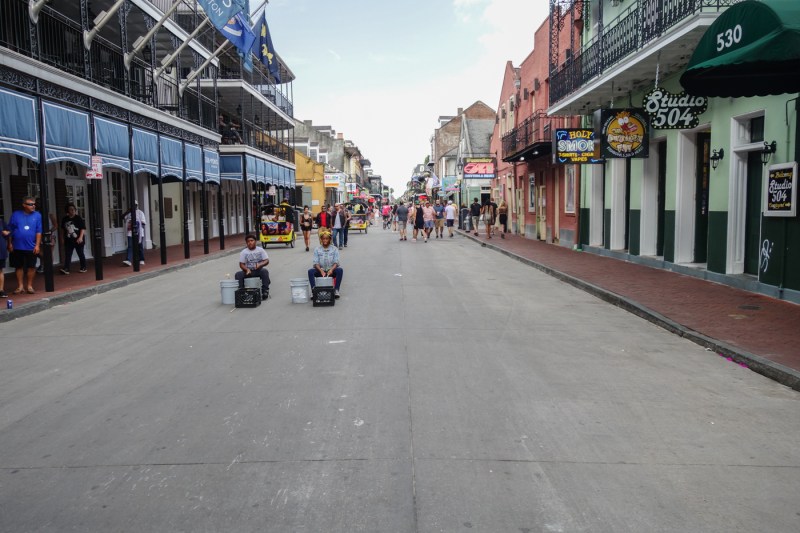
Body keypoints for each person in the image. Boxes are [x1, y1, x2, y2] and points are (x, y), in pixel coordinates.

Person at [6, 196, 42, 294]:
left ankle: (29, 286)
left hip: (31, 246)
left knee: (31, 266)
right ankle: (20, 286)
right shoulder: (15, 215)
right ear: (24, 205)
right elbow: (10, 230)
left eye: (34, 204)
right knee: (18, 266)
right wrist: (9, 243)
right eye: (30, 204)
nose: (33, 206)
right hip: (17, 245)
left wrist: (37, 245)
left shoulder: (37, 215)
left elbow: (39, 231)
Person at [308, 228, 343, 299]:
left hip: (331, 271)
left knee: (340, 270)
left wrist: (331, 270)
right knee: (310, 271)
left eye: (327, 239)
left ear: (330, 239)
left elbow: (336, 262)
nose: (325, 240)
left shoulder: (334, 249)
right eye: (323, 239)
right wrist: (321, 271)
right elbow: (315, 262)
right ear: (321, 239)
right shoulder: (317, 249)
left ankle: (336, 290)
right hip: (321, 271)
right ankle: (313, 291)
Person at [235, 234, 270, 300]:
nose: (250, 242)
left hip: (258, 270)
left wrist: (260, 264)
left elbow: (266, 260)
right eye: (248, 241)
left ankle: (265, 291)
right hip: (248, 271)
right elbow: (241, 264)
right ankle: (242, 292)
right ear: (246, 243)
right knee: (238, 274)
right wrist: (246, 269)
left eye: (252, 241)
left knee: (264, 271)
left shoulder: (260, 250)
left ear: (255, 241)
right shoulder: (244, 252)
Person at [59, 203, 87, 274]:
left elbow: (82, 228)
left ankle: (83, 267)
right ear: (67, 211)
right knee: (68, 255)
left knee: (80, 253)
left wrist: (80, 237)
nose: (72, 211)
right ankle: (66, 268)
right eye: (70, 209)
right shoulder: (65, 219)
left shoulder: (78, 218)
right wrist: (62, 238)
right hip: (68, 240)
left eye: (73, 209)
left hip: (78, 239)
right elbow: (62, 230)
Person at [122, 202, 146, 266]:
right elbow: (122, 217)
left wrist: (135, 223)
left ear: (136, 205)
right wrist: (127, 211)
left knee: (139, 246)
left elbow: (143, 223)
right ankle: (128, 260)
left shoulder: (140, 212)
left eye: (134, 205)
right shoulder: (129, 213)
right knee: (130, 246)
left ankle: (141, 259)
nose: (133, 206)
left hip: (139, 232)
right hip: (130, 232)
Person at [0, 216, 9, 298]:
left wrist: (6, 233)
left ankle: (1, 290)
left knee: (0, 270)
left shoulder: (1, 221)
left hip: (1, 250)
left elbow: (8, 231)